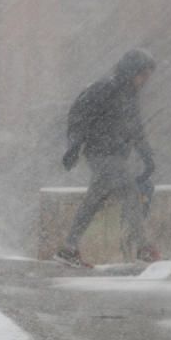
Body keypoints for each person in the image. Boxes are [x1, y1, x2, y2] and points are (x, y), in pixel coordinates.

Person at [56, 48, 160, 268]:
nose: (145, 81)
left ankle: (69, 248)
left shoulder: (129, 95)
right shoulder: (105, 88)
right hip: (100, 152)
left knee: (94, 200)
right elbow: (79, 114)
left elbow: (136, 129)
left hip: (116, 155)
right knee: (130, 191)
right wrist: (74, 145)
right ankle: (143, 247)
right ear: (132, 70)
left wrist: (147, 156)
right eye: (143, 75)